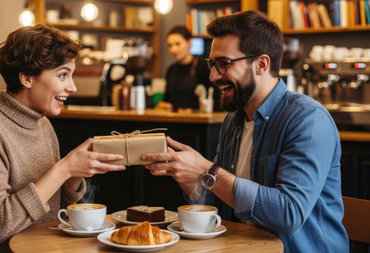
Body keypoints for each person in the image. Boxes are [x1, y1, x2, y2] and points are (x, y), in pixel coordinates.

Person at [142, 10, 348, 252]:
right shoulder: (234, 121)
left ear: (261, 64)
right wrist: (188, 176)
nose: (212, 76)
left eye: (223, 64)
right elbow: (219, 201)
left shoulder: (307, 119)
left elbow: (289, 213)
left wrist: (206, 170)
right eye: (212, 64)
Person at [0, 25, 125, 252]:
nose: (72, 87)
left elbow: (53, 211)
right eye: (63, 75)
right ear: (26, 78)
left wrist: (74, 175)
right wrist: (63, 169)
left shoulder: (43, 126)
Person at [156, 25, 221, 112]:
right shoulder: (171, 70)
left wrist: (193, 111)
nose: (173, 49)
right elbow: (167, 100)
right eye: (170, 45)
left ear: (189, 43)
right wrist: (164, 105)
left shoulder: (203, 66)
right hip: (176, 120)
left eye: (177, 44)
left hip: (199, 122)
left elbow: (216, 101)